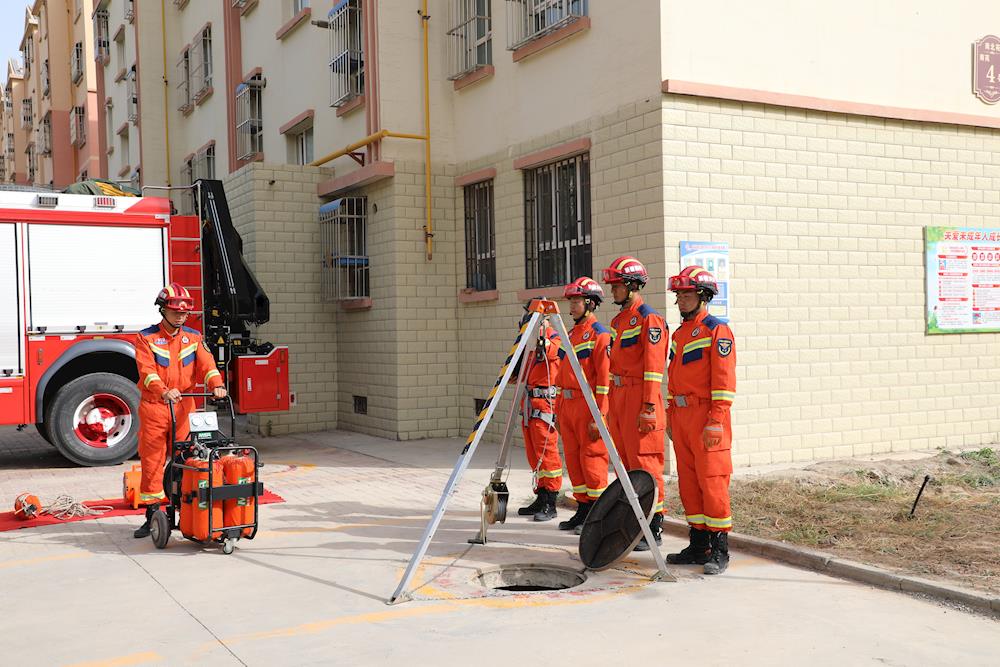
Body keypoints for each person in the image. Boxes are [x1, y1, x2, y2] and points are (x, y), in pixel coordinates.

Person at [132, 283, 226, 538]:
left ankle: (183, 510)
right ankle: (152, 515)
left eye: (184, 313)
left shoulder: (194, 338)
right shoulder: (146, 338)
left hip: (184, 408)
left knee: (184, 461)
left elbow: (208, 367)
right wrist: (163, 390)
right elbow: (147, 371)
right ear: (163, 310)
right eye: (175, 312)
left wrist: (217, 385)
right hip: (155, 408)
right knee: (152, 463)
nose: (181, 316)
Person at [665, 266, 736, 574]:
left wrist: (716, 419)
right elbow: (673, 377)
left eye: (688, 294)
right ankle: (698, 544)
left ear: (703, 296)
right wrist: (669, 415)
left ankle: (720, 548)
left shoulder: (717, 331)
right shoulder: (679, 334)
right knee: (690, 483)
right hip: (681, 416)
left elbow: (723, 380)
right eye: (679, 294)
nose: (681, 299)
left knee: (712, 480)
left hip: (707, 416)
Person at [601, 256, 668, 551]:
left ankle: (654, 526)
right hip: (619, 397)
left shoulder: (648, 319)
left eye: (616, 285)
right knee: (625, 464)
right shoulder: (618, 321)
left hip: (640, 396)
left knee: (645, 463)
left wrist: (649, 407)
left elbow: (654, 369)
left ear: (631, 285)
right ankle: (633, 520)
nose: (612, 290)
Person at [554, 277, 612, 533]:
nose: (572, 306)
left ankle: (597, 514)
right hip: (567, 405)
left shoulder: (600, 335)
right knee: (575, 459)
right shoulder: (571, 334)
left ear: (590, 303)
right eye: (571, 301)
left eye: (577, 301)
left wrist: (599, 415)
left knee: (592, 459)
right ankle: (583, 509)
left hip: (587, 406)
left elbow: (603, 381)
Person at [515, 302, 564, 522]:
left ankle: (551, 502)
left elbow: (553, 352)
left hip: (545, 403)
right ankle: (541, 496)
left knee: (547, 453)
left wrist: (539, 337)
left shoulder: (554, 336)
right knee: (534, 454)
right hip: (530, 402)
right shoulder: (530, 342)